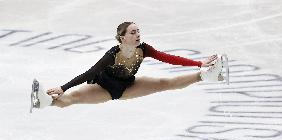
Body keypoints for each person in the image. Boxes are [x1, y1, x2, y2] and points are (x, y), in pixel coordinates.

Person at [30, 21, 228, 113]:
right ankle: (45, 102)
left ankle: (206, 75)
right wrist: (63, 88)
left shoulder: (144, 49)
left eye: (138, 31)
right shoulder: (112, 55)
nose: (138, 34)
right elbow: (91, 72)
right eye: (133, 32)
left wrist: (198, 63)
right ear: (123, 37)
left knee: (165, 82)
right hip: (104, 88)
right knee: (72, 98)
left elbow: (168, 58)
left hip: (128, 85)